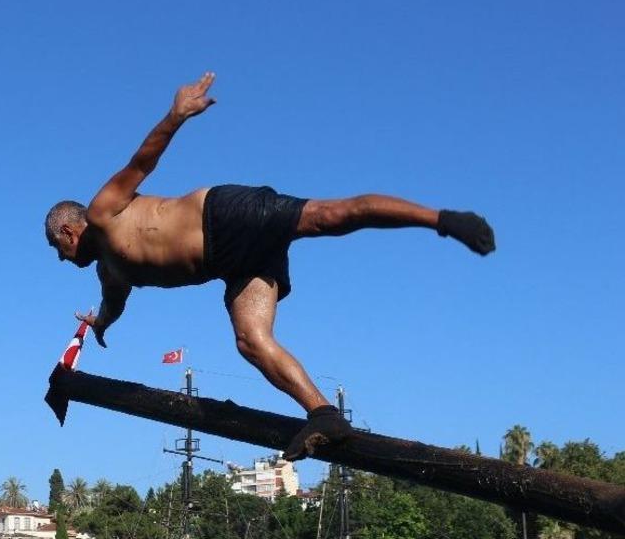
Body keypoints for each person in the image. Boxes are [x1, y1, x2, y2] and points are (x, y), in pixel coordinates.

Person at [45, 72, 495, 459]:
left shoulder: (103, 210)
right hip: (232, 265)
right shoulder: (111, 273)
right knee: (250, 340)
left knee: (328, 216)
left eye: (58, 249)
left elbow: (143, 160)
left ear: (68, 231)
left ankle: (442, 219)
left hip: (224, 215)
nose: (62, 259)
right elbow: (113, 306)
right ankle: (324, 414)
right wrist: (99, 324)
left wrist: (176, 115)